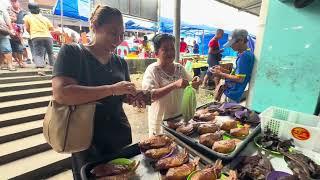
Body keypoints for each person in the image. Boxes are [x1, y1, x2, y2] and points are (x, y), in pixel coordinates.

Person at [52, 5, 146, 180]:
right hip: (86, 140)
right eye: (112, 33)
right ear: (94, 27)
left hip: (118, 136)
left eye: (121, 34)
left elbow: (121, 94)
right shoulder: (72, 52)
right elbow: (61, 94)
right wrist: (112, 89)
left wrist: (132, 95)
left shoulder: (120, 62)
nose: (118, 40)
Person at [142, 34, 201, 136]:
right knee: (162, 148)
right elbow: (149, 96)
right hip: (160, 123)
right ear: (156, 53)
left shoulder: (179, 68)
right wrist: (174, 85)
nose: (170, 52)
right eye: (165, 49)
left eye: (172, 48)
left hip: (180, 120)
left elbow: (190, 84)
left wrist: (195, 83)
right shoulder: (152, 70)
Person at [211, 29, 254, 103]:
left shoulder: (245, 56)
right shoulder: (243, 54)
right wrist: (222, 70)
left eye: (232, 43)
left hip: (233, 93)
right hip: (231, 91)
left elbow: (240, 78)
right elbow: (237, 73)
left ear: (241, 41)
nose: (230, 46)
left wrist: (220, 73)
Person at [24, 2, 54, 75]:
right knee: (50, 52)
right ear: (39, 9)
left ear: (30, 10)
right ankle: (53, 67)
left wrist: (32, 33)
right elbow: (51, 28)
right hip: (47, 36)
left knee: (38, 54)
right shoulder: (45, 18)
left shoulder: (27, 17)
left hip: (36, 36)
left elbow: (27, 28)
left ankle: (40, 69)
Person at [8, 0, 25, 68]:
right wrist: (14, 19)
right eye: (12, 2)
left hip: (19, 33)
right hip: (10, 32)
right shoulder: (8, 10)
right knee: (10, 48)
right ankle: (17, 61)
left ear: (18, 2)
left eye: (15, 1)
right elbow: (7, 19)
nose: (14, 3)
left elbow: (24, 21)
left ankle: (20, 62)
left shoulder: (22, 11)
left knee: (20, 48)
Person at [0, 6, 16, 71]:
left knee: (7, 49)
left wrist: (11, 30)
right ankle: (1, 64)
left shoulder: (2, 9)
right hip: (3, 33)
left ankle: (10, 65)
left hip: (2, 32)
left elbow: (8, 21)